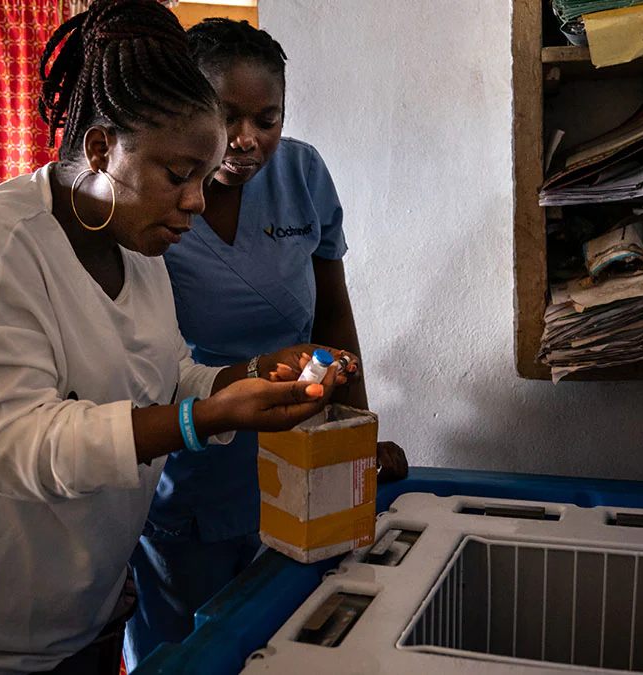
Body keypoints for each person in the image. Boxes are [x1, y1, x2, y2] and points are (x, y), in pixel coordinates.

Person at [0, 1, 355, 673]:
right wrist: (198, 417)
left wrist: (246, 376)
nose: (196, 204)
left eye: (200, 180)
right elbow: (1, 442)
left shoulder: (139, 253)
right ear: (100, 148)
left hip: (69, 621)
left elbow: (166, 372)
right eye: (178, 176)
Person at [123, 19, 407, 669]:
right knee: (186, 653)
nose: (247, 140)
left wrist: (357, 432)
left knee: (286, 642)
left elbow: (332, 312)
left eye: (267, 118)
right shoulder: (154, 197)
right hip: (190, 459)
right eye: (226, 116)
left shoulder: (304, 173)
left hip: (300, 443)